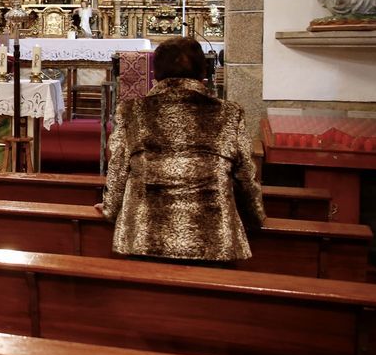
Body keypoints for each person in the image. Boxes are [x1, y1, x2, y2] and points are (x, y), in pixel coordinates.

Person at [97, 37, 265, 264]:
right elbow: (245, 174)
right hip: (214, 238)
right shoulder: (228, 114)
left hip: (144, 237)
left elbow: (118, 168)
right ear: (203, 72)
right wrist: (255, 217)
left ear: (156, 73)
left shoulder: (133, 112)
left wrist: (110, 209)